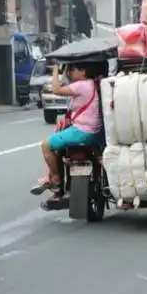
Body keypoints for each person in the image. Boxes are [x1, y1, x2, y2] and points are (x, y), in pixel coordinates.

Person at [30, 63, 101, 196]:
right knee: (58, 145)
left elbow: (56, 89)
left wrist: (56, 68)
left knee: (46, 145)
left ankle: (55, 179)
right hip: (93, 131)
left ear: (83, 71)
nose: (69, 73)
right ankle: (50, 175)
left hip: (82, 131)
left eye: (72, 69)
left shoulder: (82, 85)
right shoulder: (92, 84)